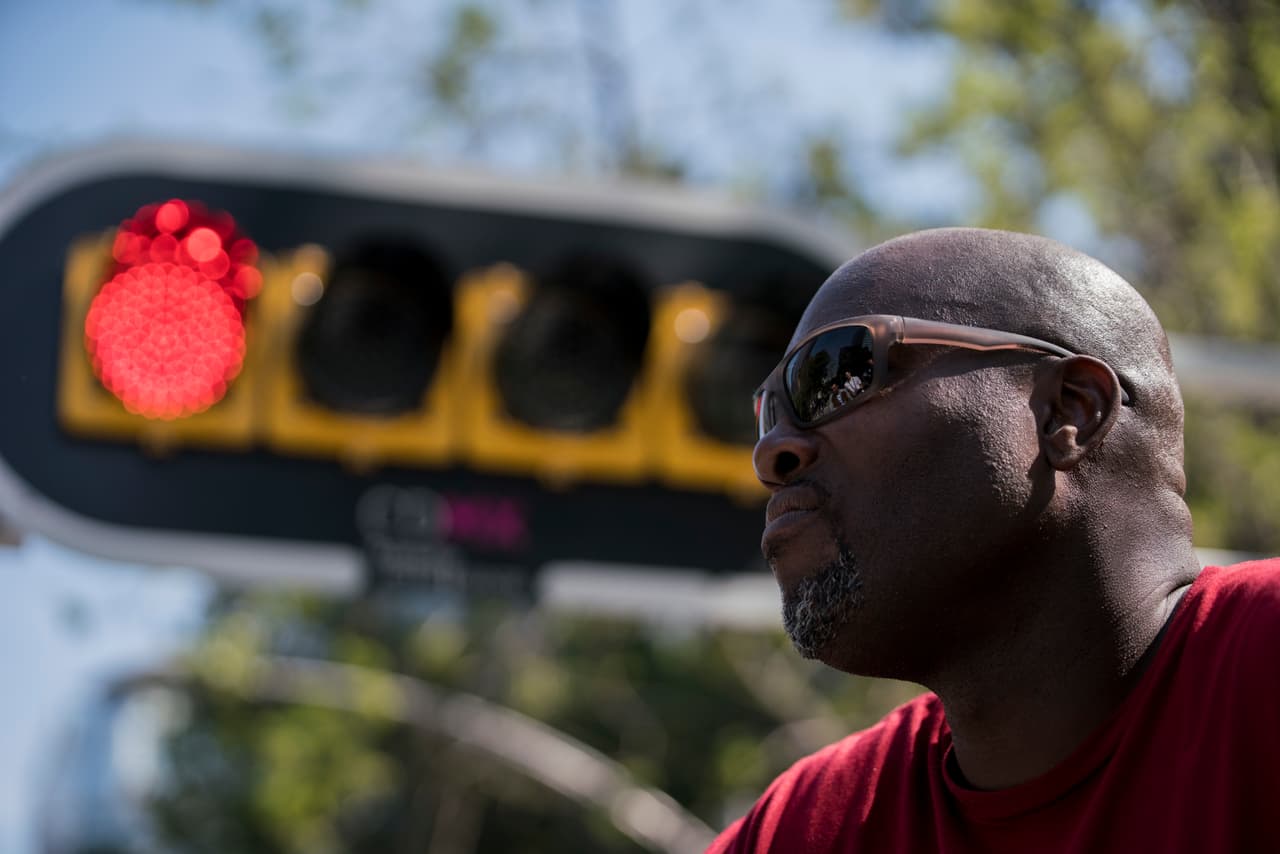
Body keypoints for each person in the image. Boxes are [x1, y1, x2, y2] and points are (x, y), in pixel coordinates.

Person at [712, 228, 1280, 853]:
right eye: (770, 412)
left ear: (1068, 411)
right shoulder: (811, 829)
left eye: (837, 373)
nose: (771, 453)